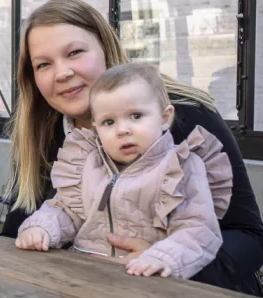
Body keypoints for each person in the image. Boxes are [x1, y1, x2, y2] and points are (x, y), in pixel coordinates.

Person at [2, 0, 263, 295]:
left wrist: (167, 262)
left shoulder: (187, 117)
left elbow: (249, 237)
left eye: (74, 52)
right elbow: (20, 227)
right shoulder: (45, 133)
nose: (61, 73)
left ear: (105, 47)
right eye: (43, 64)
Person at [15, 63, 232, 279]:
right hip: (83, 275)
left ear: (165, 118)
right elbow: (66, 211)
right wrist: (42, 228)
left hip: (146, 278)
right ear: (95, 127)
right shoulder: (89, 164)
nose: (122, 130)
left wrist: (163, 257)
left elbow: (197, 228)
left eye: (136, 116)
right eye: (109, 122)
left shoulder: (179, 167)